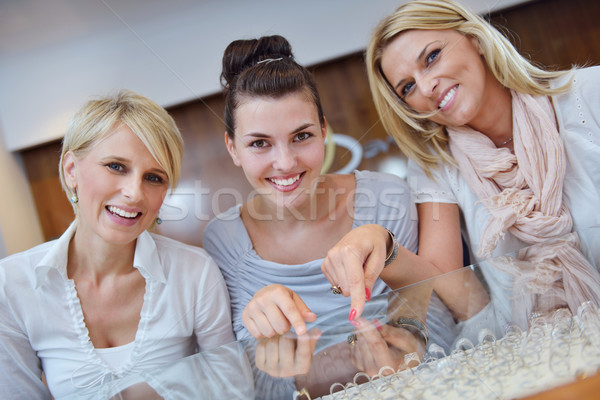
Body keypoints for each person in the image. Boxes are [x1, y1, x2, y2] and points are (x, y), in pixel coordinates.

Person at [202, 34, 477, 344]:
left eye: (301, 136)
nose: (285, 162)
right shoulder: (223, 240)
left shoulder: (385, 199)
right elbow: (250, 380)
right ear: (233, 148)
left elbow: (445, 330)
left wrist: (400, 350)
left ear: (323, 130)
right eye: (259, 143)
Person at [365, 0, 600, 318]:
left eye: (432, 57)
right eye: (407, 87)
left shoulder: (589, 94)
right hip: (546, 355)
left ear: (474, 37)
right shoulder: (434, 165)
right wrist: (380, 243)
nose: (426, 86)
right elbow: (448, 286)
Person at [0, 90, 235, 399]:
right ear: (72, 170)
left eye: (154, 178)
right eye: (116, 166)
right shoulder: (12, 284)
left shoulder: (195, 272)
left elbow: (232, 389)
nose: (134, 193)